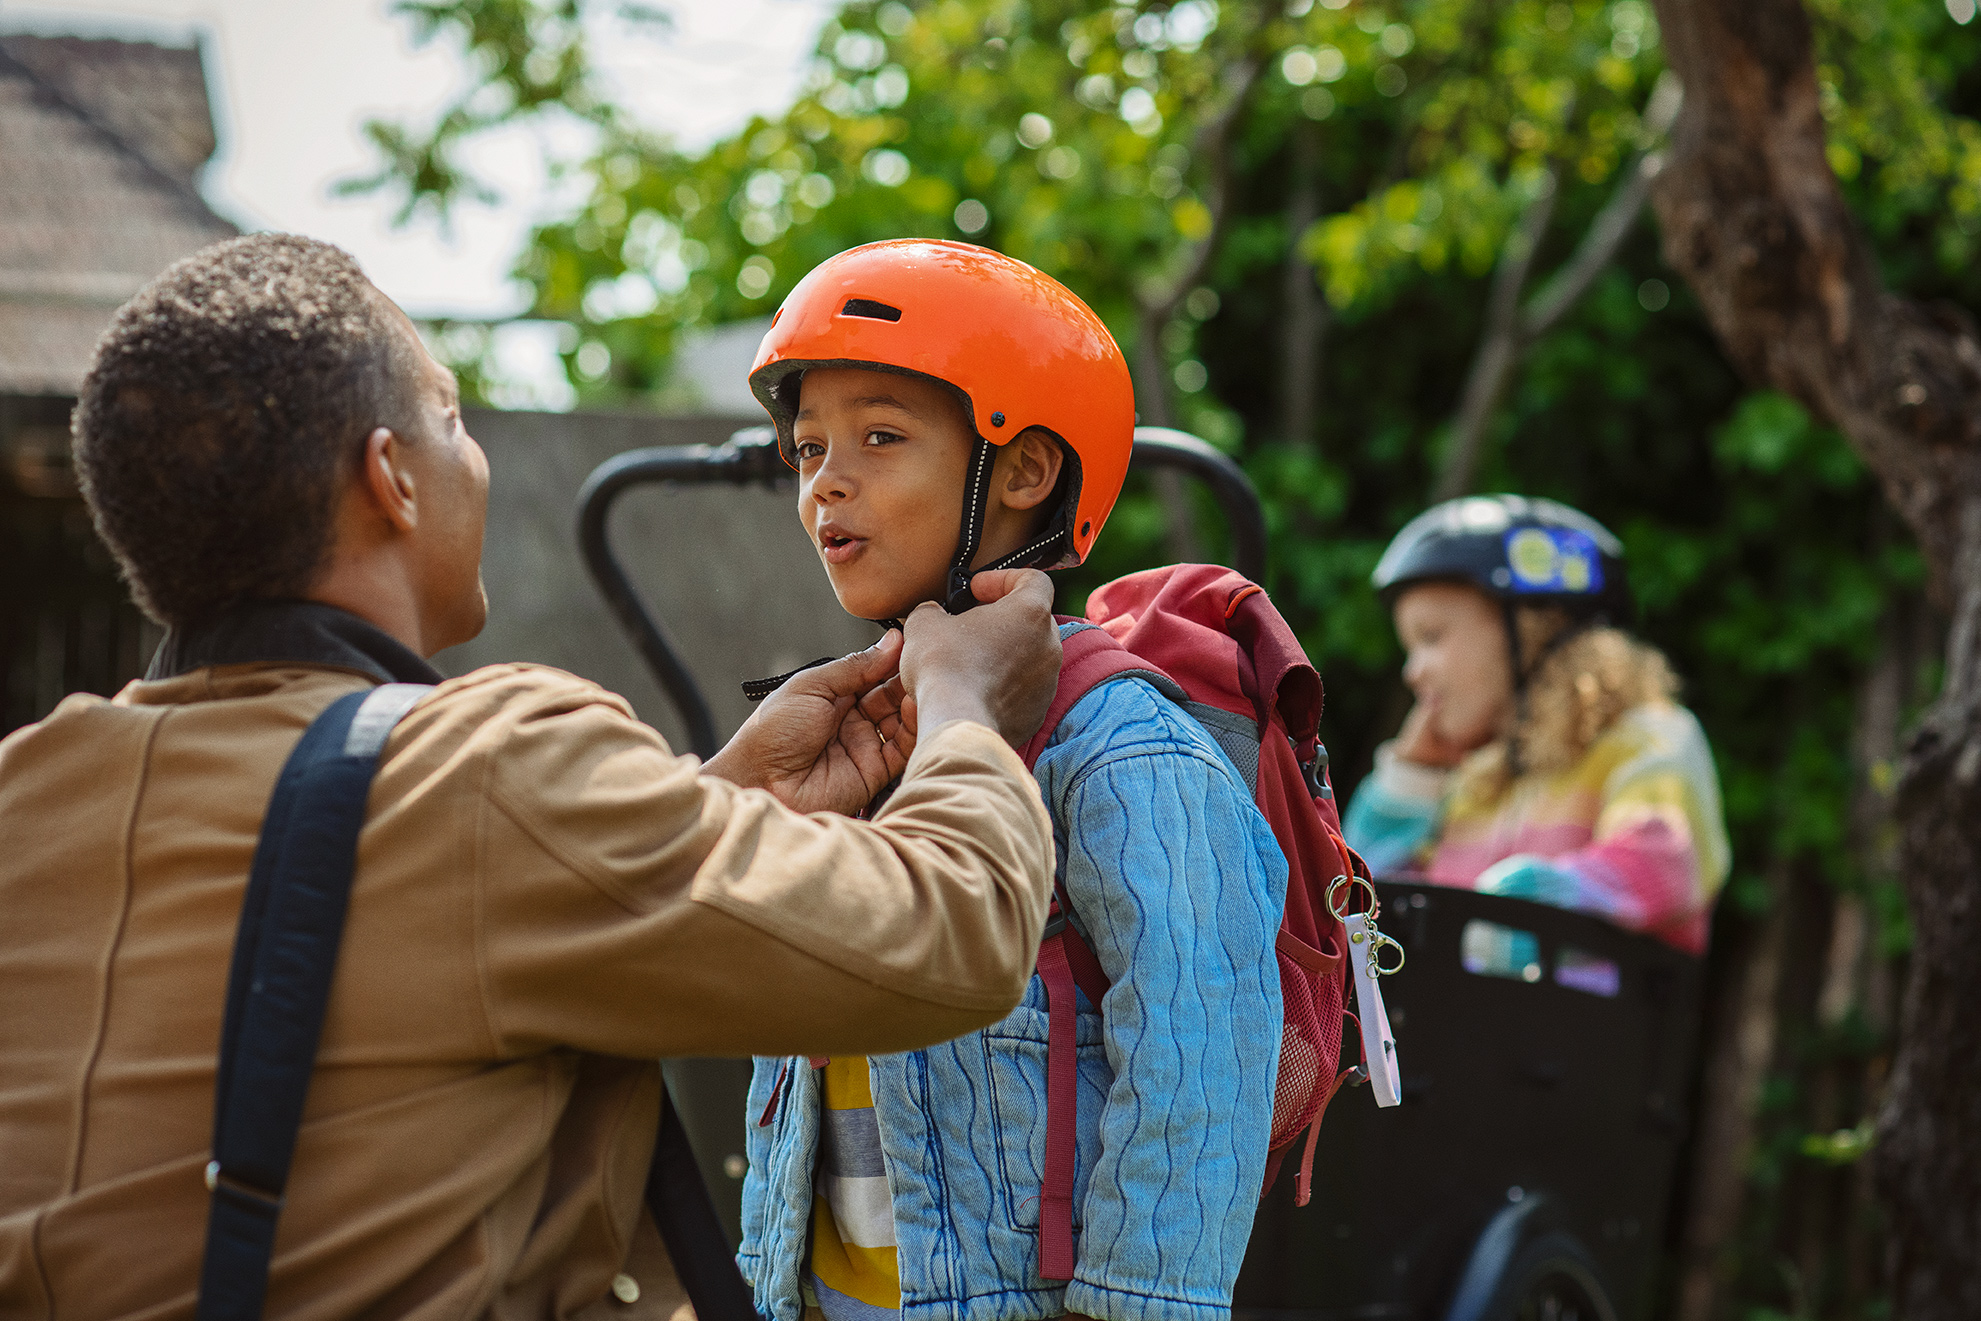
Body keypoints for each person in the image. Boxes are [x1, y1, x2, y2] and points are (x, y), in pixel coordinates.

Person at [0, 234, 1070, 1318]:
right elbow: (958, 927)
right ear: (389, 480)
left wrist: (729, 802)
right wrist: (965, 703)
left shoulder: (27, 792)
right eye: (453, 418)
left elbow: (413, 938)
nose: (476, 458)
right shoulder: (490, 766)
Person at [734, 240, 1287, 1321]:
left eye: (880, 437)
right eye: (807, 450)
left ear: (1025, 471)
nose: (827, 481)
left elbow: (1199, 1051)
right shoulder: (848, 734)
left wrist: (1132, 1303)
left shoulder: (1116, 741)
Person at [1342, 495, 1730, 954]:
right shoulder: (1476, 782)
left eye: (1431, 637)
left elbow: (1665, 863)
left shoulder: (1648, 739)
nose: (1413, 671)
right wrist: (1410, 781)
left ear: (1530, 627)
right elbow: (1362, 914)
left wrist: (1532, 904)